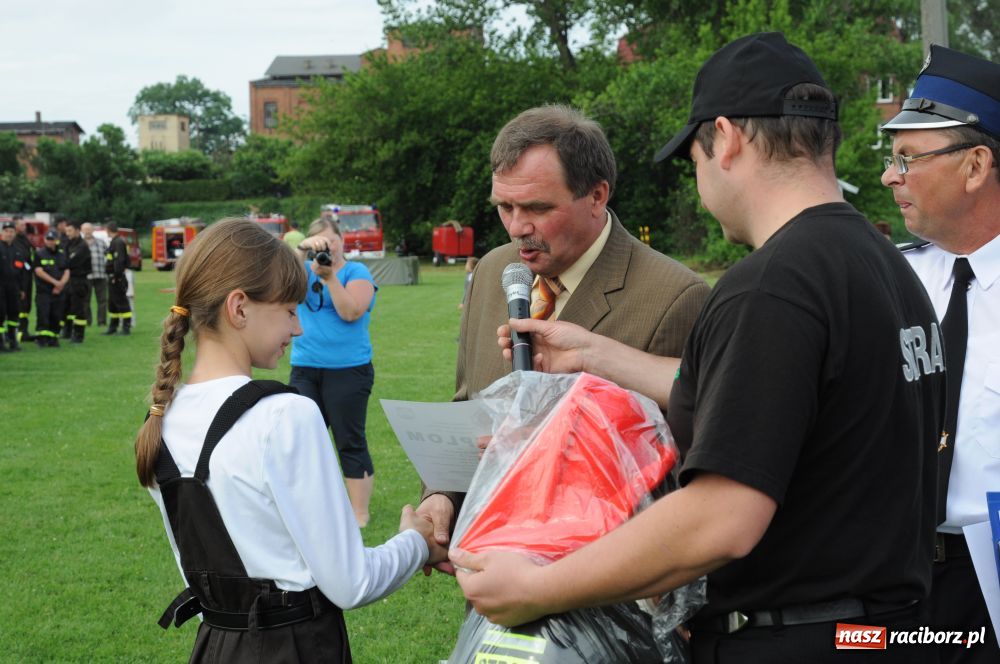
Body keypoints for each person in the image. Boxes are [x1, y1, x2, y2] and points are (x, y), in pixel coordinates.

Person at [452, 33, 945, 664]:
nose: (699, 181)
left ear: (727, 138)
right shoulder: (884, 265)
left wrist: (538, 587)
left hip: (793, 638)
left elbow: (722, 518)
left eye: (693, 160)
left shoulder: (772, 286)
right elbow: (764, 395)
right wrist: (593, 354)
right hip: (887, 630)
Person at [134, 218, 445, 662]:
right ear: (239, 308)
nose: (297, 329)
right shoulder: (284, 414)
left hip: (214, 649)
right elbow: (350, 581)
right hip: (294, 648)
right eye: (288, 310)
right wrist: (416, 542)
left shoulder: (161, 419)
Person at [417, 105, 710, 560]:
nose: (518, 228)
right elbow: (469, 405)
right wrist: (440, 496)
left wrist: (546, 460)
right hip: (492, 571)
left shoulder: (675, 297)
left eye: (537, 208)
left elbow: (680, 479)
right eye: (505, 207)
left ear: (597, 196)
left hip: (605, 586)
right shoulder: (496, 269)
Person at [881, 44, 1000, 663]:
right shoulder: (890, 282)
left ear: (976, 166)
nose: (888, 176)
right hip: (887, 584)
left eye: (907, 158)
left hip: (989, 587)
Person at [290, 217, 379, 528]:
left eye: (333, 241)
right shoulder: (300, 270)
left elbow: (351, 312)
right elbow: (277, 287)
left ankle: (359, 513)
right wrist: (301, 252)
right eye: (320, 243)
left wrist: (329, 279)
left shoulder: (357, 272)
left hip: (348, 370)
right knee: (302, 441)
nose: (329, 247)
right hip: (305, 368)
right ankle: (310, 507)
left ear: (342, 241)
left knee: (349, 440)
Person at [33, 230, 68, 348]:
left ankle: (53, 338)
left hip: (59, 291)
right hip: (44, 291)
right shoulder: (39, 254)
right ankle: (42, 339)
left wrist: (61, 284)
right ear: (44, 240)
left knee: (56, 315)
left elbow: (67, 270)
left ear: (56, 240)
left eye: (52, 239)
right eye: (48, 239)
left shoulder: (62, 254)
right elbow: (38, 271)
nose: (50, 242)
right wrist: (55, 283)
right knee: (43, 315)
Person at [62, 221, 91, 343]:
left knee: (78, 309)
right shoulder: (68, 244)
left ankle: (79, 335)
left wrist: (63, 263)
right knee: (68, 308)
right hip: (69, 281)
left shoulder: (82, 246)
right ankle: (67, 332)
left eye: (70, 231)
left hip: (79, 281)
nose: (67, 234)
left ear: (78, 231)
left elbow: (69, 262)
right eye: (66, 231)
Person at [102, 222, 131, 335]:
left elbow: (119, 261)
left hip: (116, 278)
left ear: (108, 230)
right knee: (112, 303)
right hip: (112, 277)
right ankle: (113, 327)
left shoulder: (118, 242)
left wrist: (116, 276)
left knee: (121, 302)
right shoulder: (115, 241)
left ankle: (126, 327)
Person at [80, 222, 108, 329]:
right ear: (82, 231)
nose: (87, 231)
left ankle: (102, 321)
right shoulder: (80, 244)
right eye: (85, 229)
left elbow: (108, 256)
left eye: (89, 229)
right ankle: (87, 321)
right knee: (85, 300)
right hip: (86, 276)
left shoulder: (101, 242)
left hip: (101, 275)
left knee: (102, 300)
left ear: (93, 230)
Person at [13, 216, 35, 342]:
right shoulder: (15, 240)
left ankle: (23, 330)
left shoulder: (24, 239)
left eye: (24, 225)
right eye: (21, 225)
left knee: (26, 304)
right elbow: (21, 257)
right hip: (19, 275)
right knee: (20, 303)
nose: (24, 227)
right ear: (15, 226)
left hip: (27, 275)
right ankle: (18, 330)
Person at [0, 222, 22, 352]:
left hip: (13, 287)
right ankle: (1, 344)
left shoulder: (17, 250)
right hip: (0, 286)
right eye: (7, 231)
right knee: (0, 314)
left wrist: (22, 288)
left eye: (11, 231)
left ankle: (13, 341)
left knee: (14, 314)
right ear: (2, 233)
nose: (9, 233)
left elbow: (21, 270)